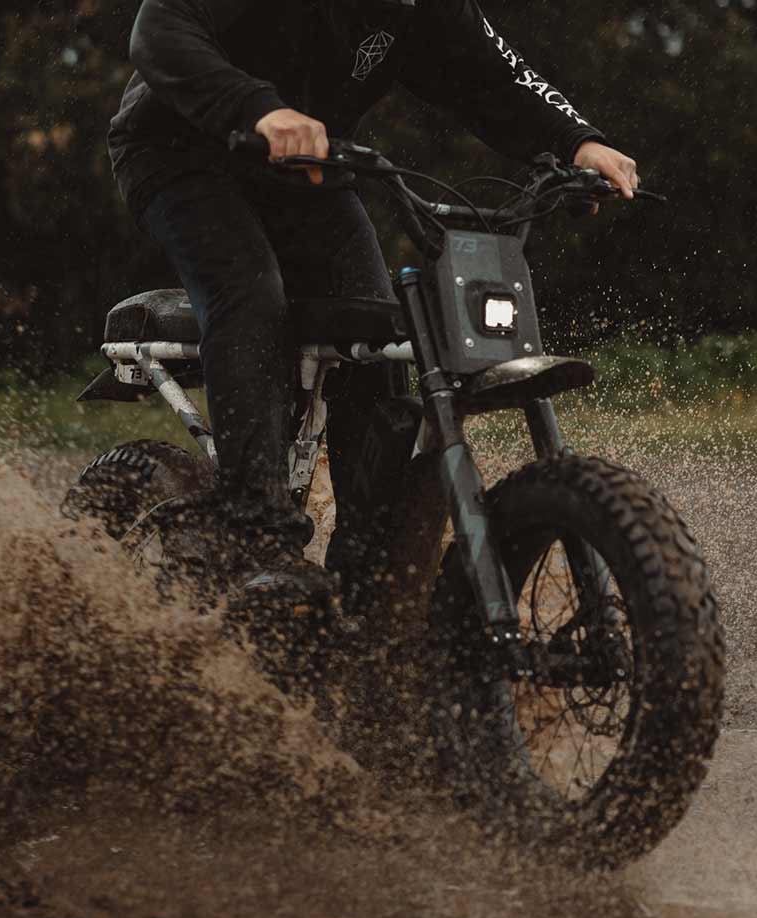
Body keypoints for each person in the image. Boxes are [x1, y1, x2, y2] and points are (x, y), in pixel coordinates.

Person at [109, 0, 638, 602]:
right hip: (181, 153)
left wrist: (576, 142)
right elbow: (160, 28)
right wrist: (259, 109)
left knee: (378, 331)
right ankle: (253, 537)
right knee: (251, 291)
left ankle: (366, 569)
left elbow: (496, 72)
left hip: (308, 168)